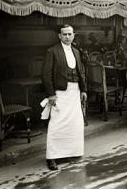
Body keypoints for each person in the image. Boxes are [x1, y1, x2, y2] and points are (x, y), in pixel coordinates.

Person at [42, 24, 87, 171]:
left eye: (70, 34)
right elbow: (46, 75)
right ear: (59, 36)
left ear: (73, 35)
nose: (67, 37)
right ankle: (52, 157)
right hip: (60, 93)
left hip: (75, 91)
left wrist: (83, 90)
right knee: (57, 123)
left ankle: (69, 153)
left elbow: (81, 72)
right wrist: (51, 94)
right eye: (64, 34)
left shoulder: (76, 51)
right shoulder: (52, 51)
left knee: (74, 123)